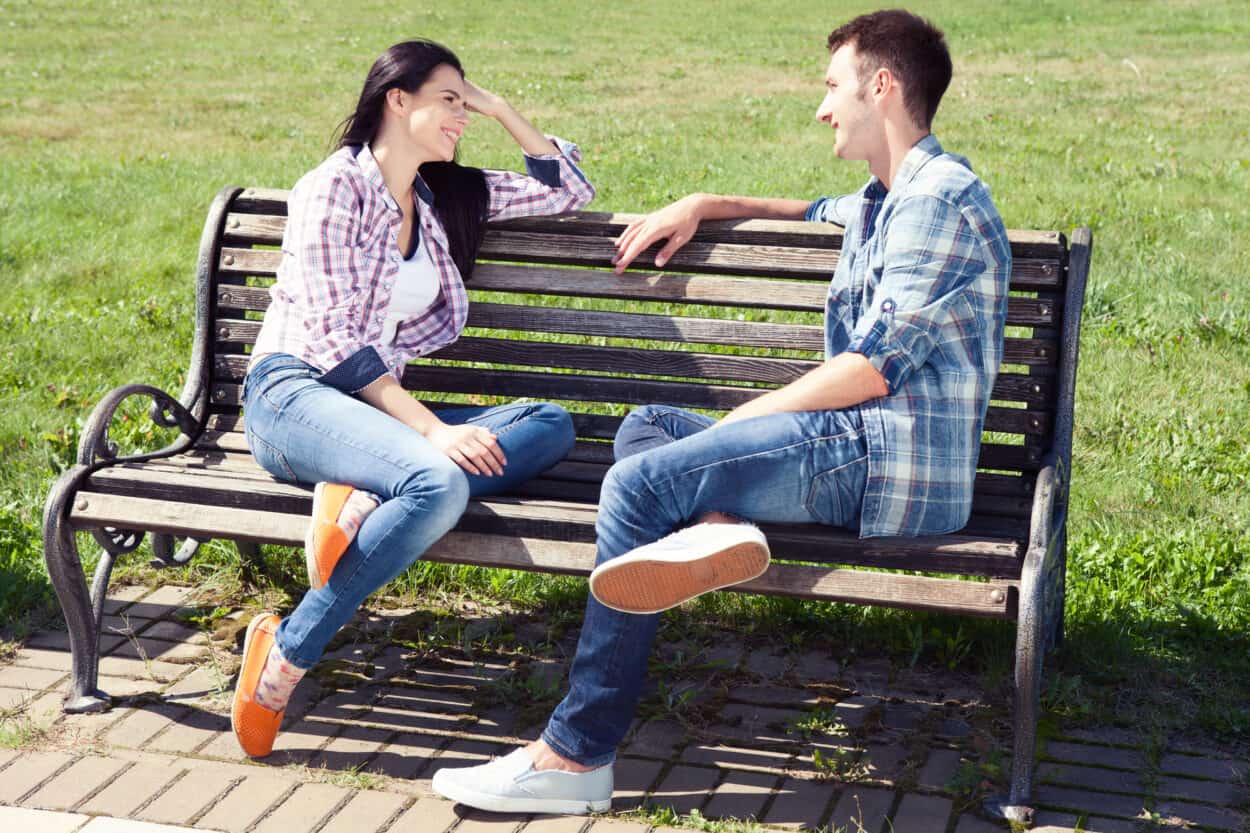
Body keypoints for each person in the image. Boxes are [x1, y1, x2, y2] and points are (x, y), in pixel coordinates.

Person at [428, 9, 1012, 815]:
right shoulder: (888, 197)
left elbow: (876, 368)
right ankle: (718, 520)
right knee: (647, 431)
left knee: (634, 489)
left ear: (883, 87)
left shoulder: (940, 201)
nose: (822, 107)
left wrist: (748, 417)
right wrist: (703, 200)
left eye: (833, 85)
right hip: (852, 444)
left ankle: (574, 756)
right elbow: (806, 211)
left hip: (887, 461)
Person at [232, 39, 595, 758]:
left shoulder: (444, 198)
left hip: (371, 418)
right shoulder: (333, 188)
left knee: (549, 425)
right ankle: (286, 655)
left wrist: (497, 108)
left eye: (468, 102)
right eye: (449, 101)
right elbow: (336, 342)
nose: (463, 116)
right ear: (398, 99)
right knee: (435, 482)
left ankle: (361, 486)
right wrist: (430, 430)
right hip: (294, 393)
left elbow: (568, 189)